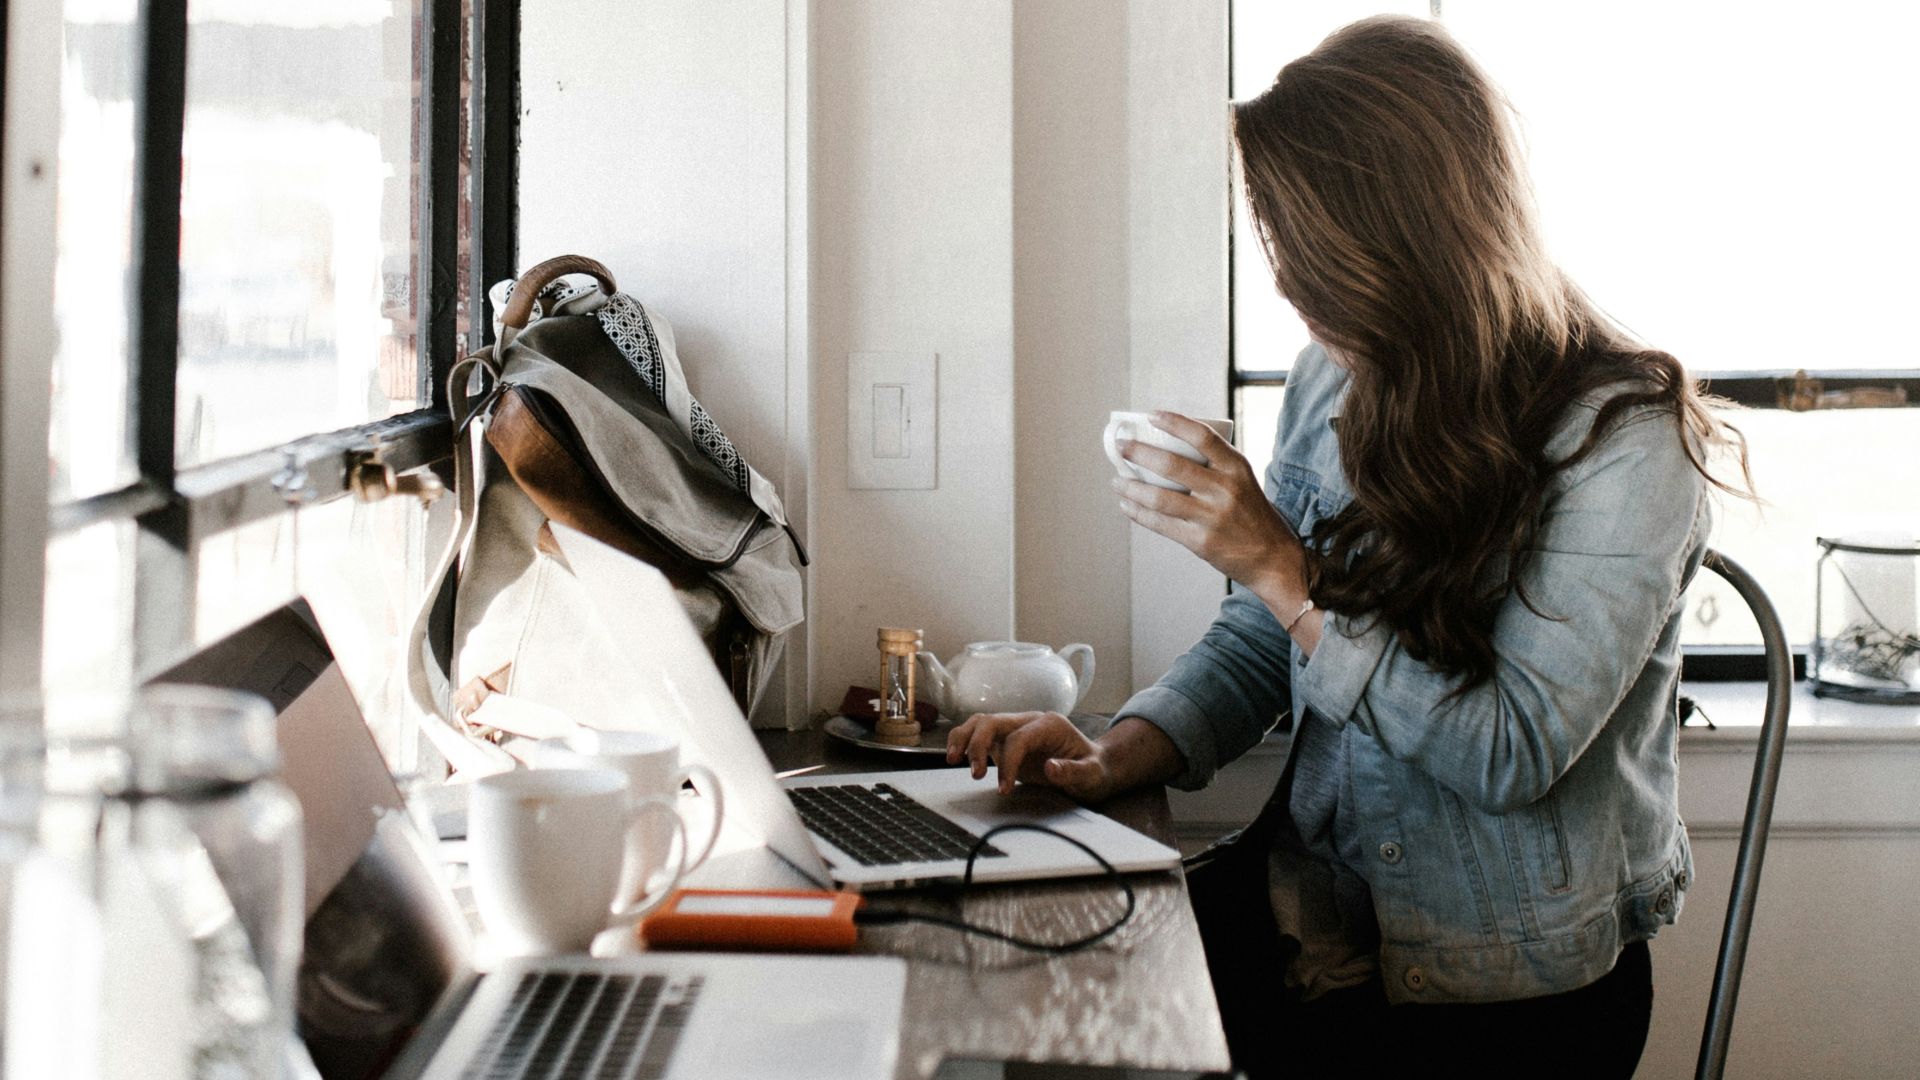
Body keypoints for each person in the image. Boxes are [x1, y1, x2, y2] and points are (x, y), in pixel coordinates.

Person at [947, 14, 1749, 1078]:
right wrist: (1116, 753)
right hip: (1313, 912)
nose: (1288, 285)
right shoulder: (1337, 373)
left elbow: (1505, 753)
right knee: (1017, 999)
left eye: (1306, 251)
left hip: (1503, 988)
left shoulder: (1629, 442)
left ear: (1409, 237)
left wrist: (1284, 566)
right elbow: (1260, 640)